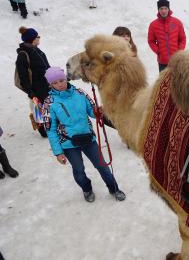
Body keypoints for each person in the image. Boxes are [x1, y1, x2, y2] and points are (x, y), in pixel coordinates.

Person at [42, 67, 126, 203]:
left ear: (66, 79)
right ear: (50, 84)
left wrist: (98, 111)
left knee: (102, 165)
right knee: (79, 170)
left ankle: (114, 188)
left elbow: (92, 112)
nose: (60, 84)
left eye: (62, 80)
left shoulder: (80, 93)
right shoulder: (49, 103)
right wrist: (58, 152)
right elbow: (50, 129)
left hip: (88, 138)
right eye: (55, 82)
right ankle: (86, 189)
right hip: (69, 144)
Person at [16, 26, 50, 137]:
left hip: (45, 84)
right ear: (33, 39)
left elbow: (45, 65)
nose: (39, 38)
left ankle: (50, 124)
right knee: (37, 108)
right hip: (35, 87)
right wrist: (30, 91)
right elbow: (23, 76)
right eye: (37, 36)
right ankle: (42, 130)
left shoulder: (36, 49)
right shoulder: (23, 54)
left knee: (48, 105)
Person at [148, 0, 186, 72]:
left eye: (165, 8)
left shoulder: (177, 22)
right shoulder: (153, 25)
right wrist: (159, 52)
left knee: (177, 82)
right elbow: (151, 41)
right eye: (161, 8)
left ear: (168, 9)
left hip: (176, 60)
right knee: (164, 82)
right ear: (158, 10)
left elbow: (182, 39)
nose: (163, 11)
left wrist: (179, 51)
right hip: (162, 62)